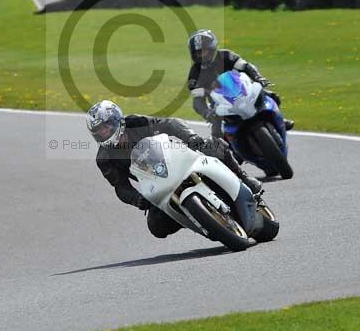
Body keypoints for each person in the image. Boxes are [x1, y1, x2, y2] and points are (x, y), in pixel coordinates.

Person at [87, 100, 262, 239]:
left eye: (106, 125)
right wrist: (137, 199)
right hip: (156, 185)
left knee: (214, 146)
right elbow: (120, 187)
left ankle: (243, 178)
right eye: (99, 130)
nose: (104, 131)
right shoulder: (105, 159)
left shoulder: (137, 122)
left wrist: (192, 139)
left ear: (117, 119)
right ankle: (196, 217)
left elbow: (169, 124)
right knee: (156, 227)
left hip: (178, 161)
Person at [186, 29, 294, 139]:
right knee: (217, 134)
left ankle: (281, 121)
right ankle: (225, 152)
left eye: (203, 51)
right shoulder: (194, 74)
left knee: (272, 96)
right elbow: (197, 101)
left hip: (243, 91)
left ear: (212, 48)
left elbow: (246, 66)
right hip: (219, 104)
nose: (201, 55)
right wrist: (207, 113)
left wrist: (258, 77)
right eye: (198, 53)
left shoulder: (226, 55)